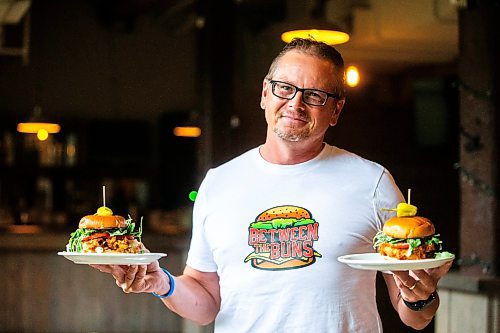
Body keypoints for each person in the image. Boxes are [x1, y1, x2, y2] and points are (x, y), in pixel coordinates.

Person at [92, 38, 452, 332]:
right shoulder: (219, 182)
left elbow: (413, 316)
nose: (295, 103)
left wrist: (422, 295)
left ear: (336, 110)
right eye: (285, 88)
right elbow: (205, 303)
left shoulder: (371, 181)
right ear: (265, 93)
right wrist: (160, 282)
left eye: (314, 95)